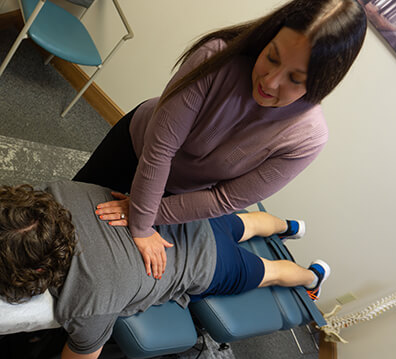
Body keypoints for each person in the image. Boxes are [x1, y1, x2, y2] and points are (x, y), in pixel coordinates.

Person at [73, 0, 367, 280]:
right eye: (272, 57)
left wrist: (145, 216)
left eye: (295, 79)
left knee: (109, 258)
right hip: (137, 147)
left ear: (321, 82)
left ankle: (287, 230)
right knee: (71, 211)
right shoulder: (216, 55)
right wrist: (140, 221)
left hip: (183, 195)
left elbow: (223, 199)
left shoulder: (307, 138)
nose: (270, 81)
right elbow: (161, 150)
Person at [0, 180, 330, 359]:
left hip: (211, 263)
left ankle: (310, 279)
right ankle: (290, 226)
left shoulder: (88, 301)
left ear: (39, 272)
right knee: (248, 223)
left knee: (271, 273)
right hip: (189, 215)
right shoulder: (57, 191)